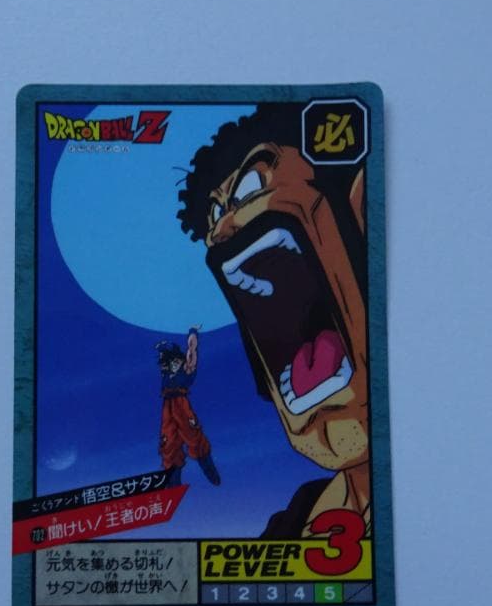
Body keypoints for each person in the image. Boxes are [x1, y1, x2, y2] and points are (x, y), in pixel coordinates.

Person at [176, 104, 370, 537]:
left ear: (359, 210)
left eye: (249, 188)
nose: (222, 229)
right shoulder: (291, 524)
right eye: (215, 216)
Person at [157, 326, 221, 487]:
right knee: (168, 443)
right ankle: (173, 483)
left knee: (193, 437)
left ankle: (210, 471)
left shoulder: (186, 367)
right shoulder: (166, 372)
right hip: (168, 406)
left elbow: (192, 349)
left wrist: (193, 332)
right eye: (166, 363)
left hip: (181, 404)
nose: (168, 365)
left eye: (172, 361)